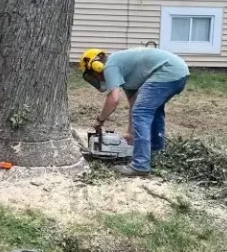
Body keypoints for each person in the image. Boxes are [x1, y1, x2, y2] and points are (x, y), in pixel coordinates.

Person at [80, 47, 189, 176]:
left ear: (97, 67)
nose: (97, 79)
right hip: (178, 72)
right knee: (151, 110)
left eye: (92, 75)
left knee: (142, 111)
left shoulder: (110, 66)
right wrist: (131, 134)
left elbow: (114, 100)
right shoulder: (124, 70)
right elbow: (133, 103)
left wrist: (99, 121)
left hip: (168, 71)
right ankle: (156, 151)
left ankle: (140, 165)